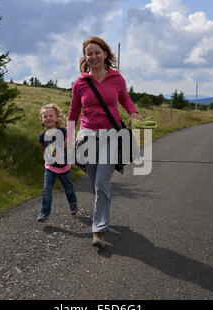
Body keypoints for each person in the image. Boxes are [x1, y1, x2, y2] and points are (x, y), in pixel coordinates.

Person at [67, 36, 143, 249]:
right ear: (85, 57)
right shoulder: (80, 83)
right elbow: (73, 113)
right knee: (95, 183)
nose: (93, 57)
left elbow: (125, 99)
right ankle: (103, 215)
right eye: (89, 54)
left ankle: (98, 229)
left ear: (105, 54)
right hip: (87, 137)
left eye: (96, 53)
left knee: (101, 182)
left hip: (111, 136)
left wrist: (133, 112)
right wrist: (69, 137)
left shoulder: (117, 79)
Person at [37, 104, 78, 223]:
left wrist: (65, 144)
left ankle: (73, 202)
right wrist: (46, 156)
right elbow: (42, 147)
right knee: (46, 191)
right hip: (50, 168)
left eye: (51, 115)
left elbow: (72, 142)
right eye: (45, 116)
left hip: (64, 168)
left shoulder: (63, 131)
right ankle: (44, 213)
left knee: (68, 188)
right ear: (42, 120)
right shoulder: (42, 136)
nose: (48, 118)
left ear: (56, 118)